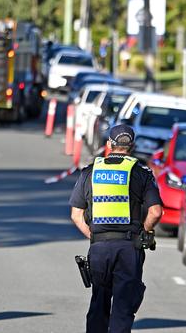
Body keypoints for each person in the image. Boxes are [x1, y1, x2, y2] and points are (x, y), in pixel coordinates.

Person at [70, 124, 163, 333]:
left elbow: (76, 215)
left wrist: (94, 236)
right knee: (123, 308)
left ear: (109, 145)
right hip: (129, 248)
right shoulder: (141, 173)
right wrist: (145, 232)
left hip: (100, 248)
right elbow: (156, 212)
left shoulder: (91, 172)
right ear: (132, 146)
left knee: (98, 304)